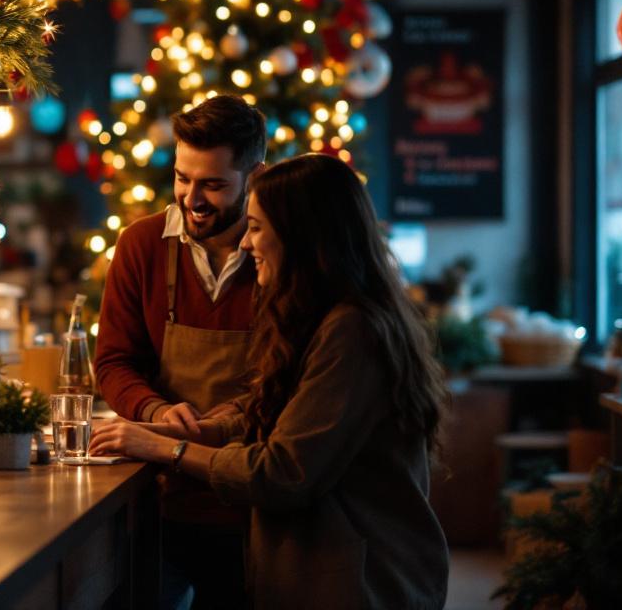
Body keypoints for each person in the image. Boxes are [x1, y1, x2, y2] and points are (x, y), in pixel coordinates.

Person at [90, 154, 450, 609]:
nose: (244, 245)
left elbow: (283, 472)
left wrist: (168, 449)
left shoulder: (353, 331)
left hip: (359, 582)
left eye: (256, 228)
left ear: (304, 236)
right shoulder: (319, 316)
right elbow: (275, 406)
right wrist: (184, 428)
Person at [93, 94, 267, 606]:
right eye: (182, 179)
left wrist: (218, 425)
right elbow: (114, 361)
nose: (191, 198)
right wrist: (157, 410)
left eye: (212, 185)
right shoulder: (141, 244)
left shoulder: (278, 254)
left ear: (254, 176)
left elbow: (291, 376)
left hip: (249, 501)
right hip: (160, 496)